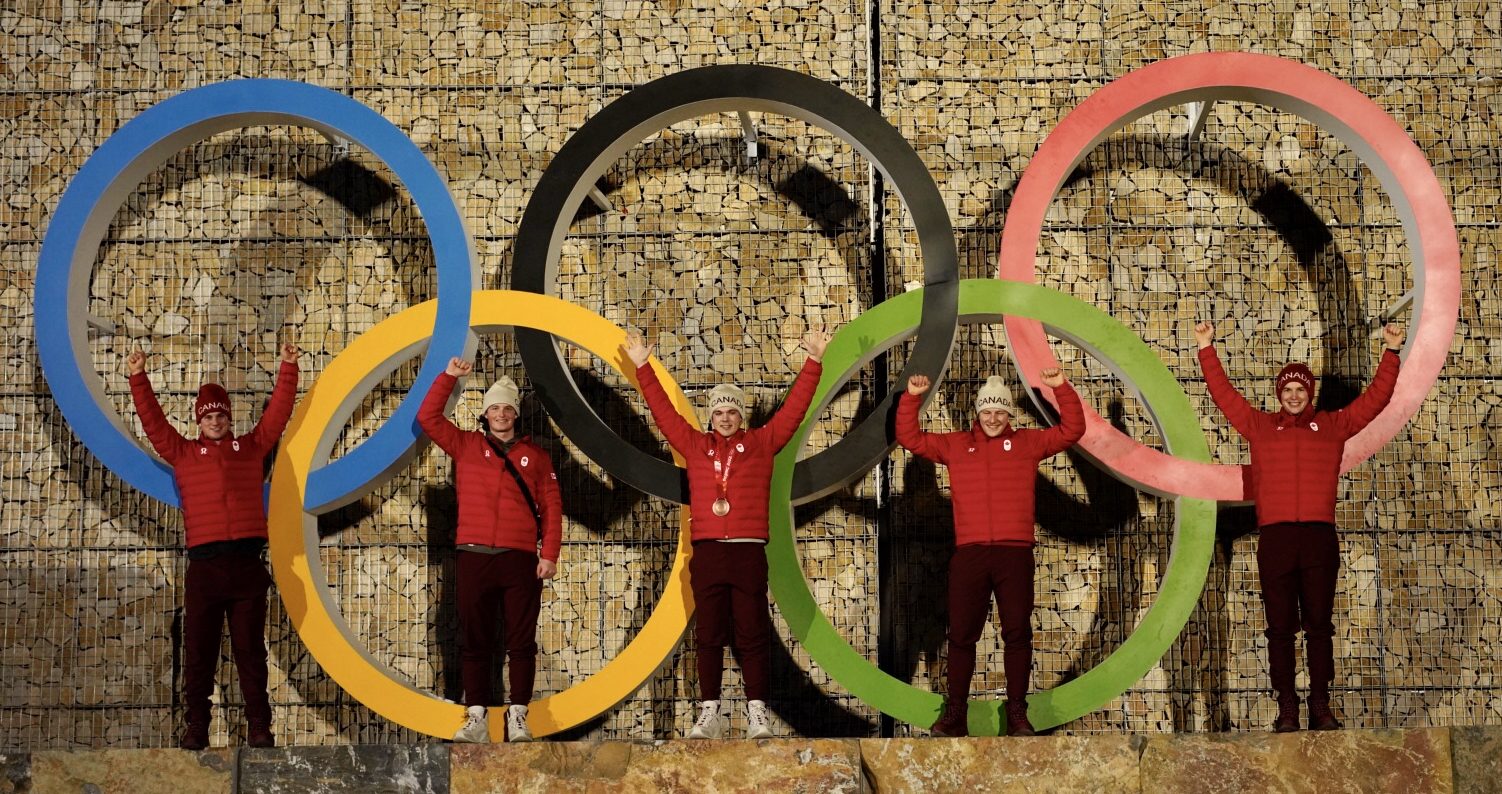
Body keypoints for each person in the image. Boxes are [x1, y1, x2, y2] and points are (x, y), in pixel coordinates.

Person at [1194, 320, 1404, 732]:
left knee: (1320, 626)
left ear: (1309, 393)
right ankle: (1287, 707)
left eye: (1300, 389)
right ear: (1279, 394)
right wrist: (1206, 349)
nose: (1294, 395)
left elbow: (1375, 400)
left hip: (1318, 537)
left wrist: (1391, 353)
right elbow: (1224, 397)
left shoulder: (1332, 426)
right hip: (1275, 538)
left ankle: (1321, 704)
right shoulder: (1259, 427)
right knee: (1279, 629)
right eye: (1287, 390)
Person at [622, 328, 830, 740]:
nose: (725, 417)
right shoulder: (695, 445)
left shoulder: (762, 442)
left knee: (753, 633)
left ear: (741, 415)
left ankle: (757, 714)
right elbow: (664, 415)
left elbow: (794, 410)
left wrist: (815, 362)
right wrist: (643, 366)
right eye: (719, 412)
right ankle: (710, 712)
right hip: (709, 552)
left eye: (731, 411)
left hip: (749, 550)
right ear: (710, 417)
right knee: (710, 634)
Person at [126, 343, 299, 750]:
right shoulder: (183, 452)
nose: (215, 421)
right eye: (208, 417)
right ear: (198, 421)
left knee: (250, 654)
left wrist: (288, 368)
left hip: (246, 566)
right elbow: (153, 423)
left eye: (221, 415)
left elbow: (277, 415)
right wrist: (137, 376)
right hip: (204, 568)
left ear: (229, 417)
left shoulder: (252, 448)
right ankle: (196, 727)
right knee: (199, 653)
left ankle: (260, 727)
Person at [896, 369, 1085, 737]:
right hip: (970, 554)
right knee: (962, 636)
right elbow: (910, 437)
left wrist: (1060, 386)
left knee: (1017, 633)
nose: (993, 418)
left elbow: (1072, 430)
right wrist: (912, 397)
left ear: (1010, 414)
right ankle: (955, 714)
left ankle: (1017, 713)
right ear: (977, 414)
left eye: (1000, 411)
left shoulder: (1029, 443)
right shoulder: (955, 445)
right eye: (987, 411)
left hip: (1014, 555)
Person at [418, 358, 562, 743]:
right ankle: (476, 714)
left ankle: (518, 715)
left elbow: (551, 505)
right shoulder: (466, 445)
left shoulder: (538, 457)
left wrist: (549, 553)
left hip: (519, 559)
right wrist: (449, 377)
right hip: (473, 555)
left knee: (521, 641)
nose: (501, 414)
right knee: (474, 639)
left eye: (507, 408)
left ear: (516, 413)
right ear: (485, 414)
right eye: (494, 408)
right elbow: (429, 418)